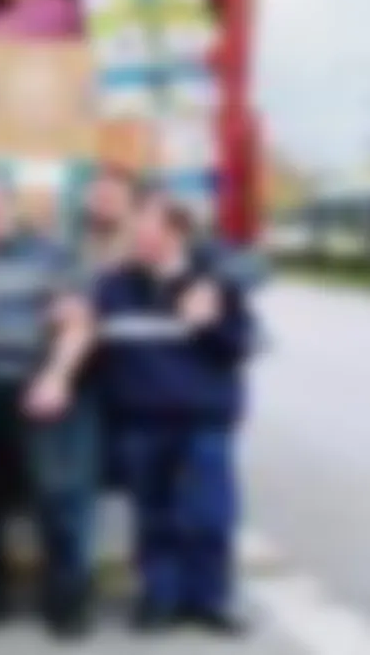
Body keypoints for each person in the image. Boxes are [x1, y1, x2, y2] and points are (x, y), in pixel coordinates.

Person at [0, 175, 100, 636]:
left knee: (55, 497)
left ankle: (66, 600)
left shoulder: (49, 254)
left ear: (9, 205)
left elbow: (80, 323)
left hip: (34, 389)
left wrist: (56, 377)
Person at [92, 194, 256, 634]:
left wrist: (208, 323)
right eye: (136, 233)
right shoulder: (114, 286)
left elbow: (239, 347)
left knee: (209, 515)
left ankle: (208, 600)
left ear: (175, 234)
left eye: (148, 232)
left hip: (202, 420)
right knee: (153, 515)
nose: (139, 241)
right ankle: (159, 598)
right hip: (141, 422)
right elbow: (95, 350)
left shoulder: (214, 285)